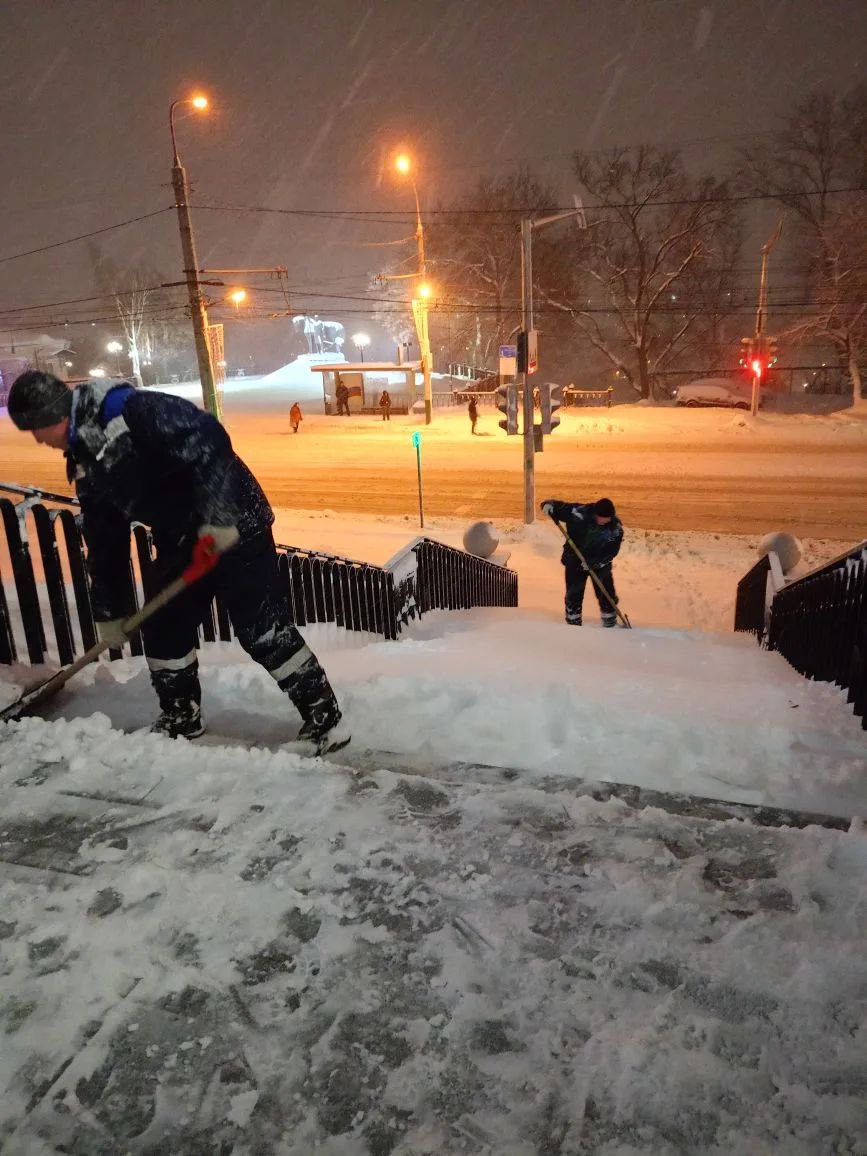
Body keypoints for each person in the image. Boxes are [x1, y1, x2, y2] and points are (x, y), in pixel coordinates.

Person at [7, 370, 349, 751]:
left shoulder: (132, 410)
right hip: (182, 536)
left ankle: (325, 721)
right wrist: (111, 612)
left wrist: (218, 519)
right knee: (163, 622)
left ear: (54, 417)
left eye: (36, 430)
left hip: (236, 521)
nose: (38, 440)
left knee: (260, 628)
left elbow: (209, 438)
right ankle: (180, 717)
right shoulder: (87, 461)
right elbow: (105, 539)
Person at [540, 496, 623, 627]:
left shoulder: (615, 529)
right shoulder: (579, 513)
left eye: (607, 518)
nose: (603, 521)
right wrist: (549, 505)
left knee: (606, 593)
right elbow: (561, 507)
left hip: (599, 564)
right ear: (595, 513)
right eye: (601, 517)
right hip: (575, 559)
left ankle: (610, 620)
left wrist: (595, 562)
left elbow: (611, 551)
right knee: (574, 592)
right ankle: (573, 621)